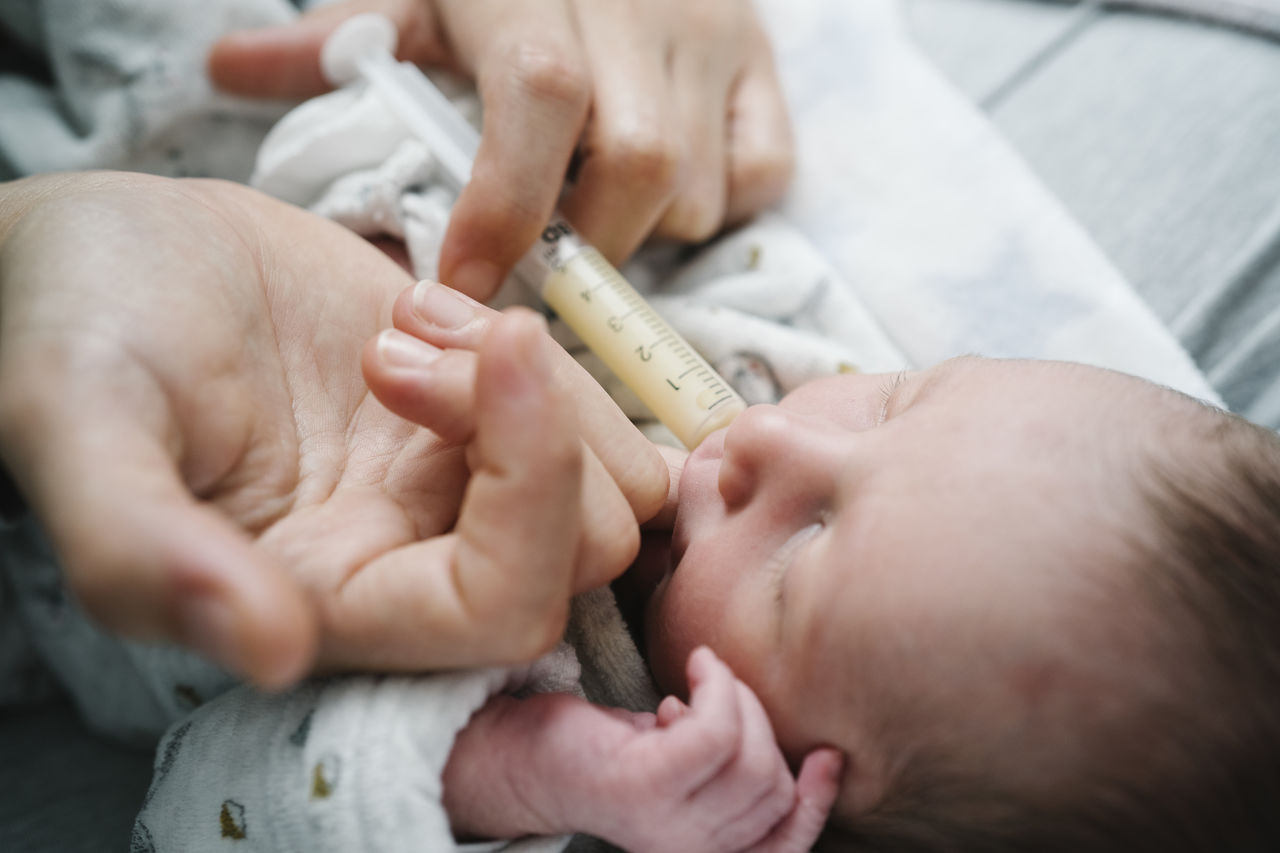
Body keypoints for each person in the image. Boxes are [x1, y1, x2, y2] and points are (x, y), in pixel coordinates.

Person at [115, 277, 1280, 852]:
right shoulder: (785, 355)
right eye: (897, 397)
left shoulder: (620, 782)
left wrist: (527, 771)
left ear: (794, 791)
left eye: (807, 547)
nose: (770, 434)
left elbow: (191, 805)